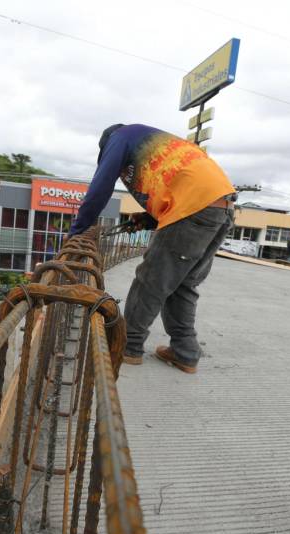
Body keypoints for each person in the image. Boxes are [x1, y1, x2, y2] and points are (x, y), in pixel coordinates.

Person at [69, 123, 236, 374]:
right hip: (222, 208)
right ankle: (185, 352)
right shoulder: (150, 140)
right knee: (183, 284)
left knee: (150, 281)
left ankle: (128, 346)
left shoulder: (120, 137)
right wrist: (150, 218)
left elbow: (99, 189)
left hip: (194, 208)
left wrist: (76, 233)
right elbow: (180, 184)